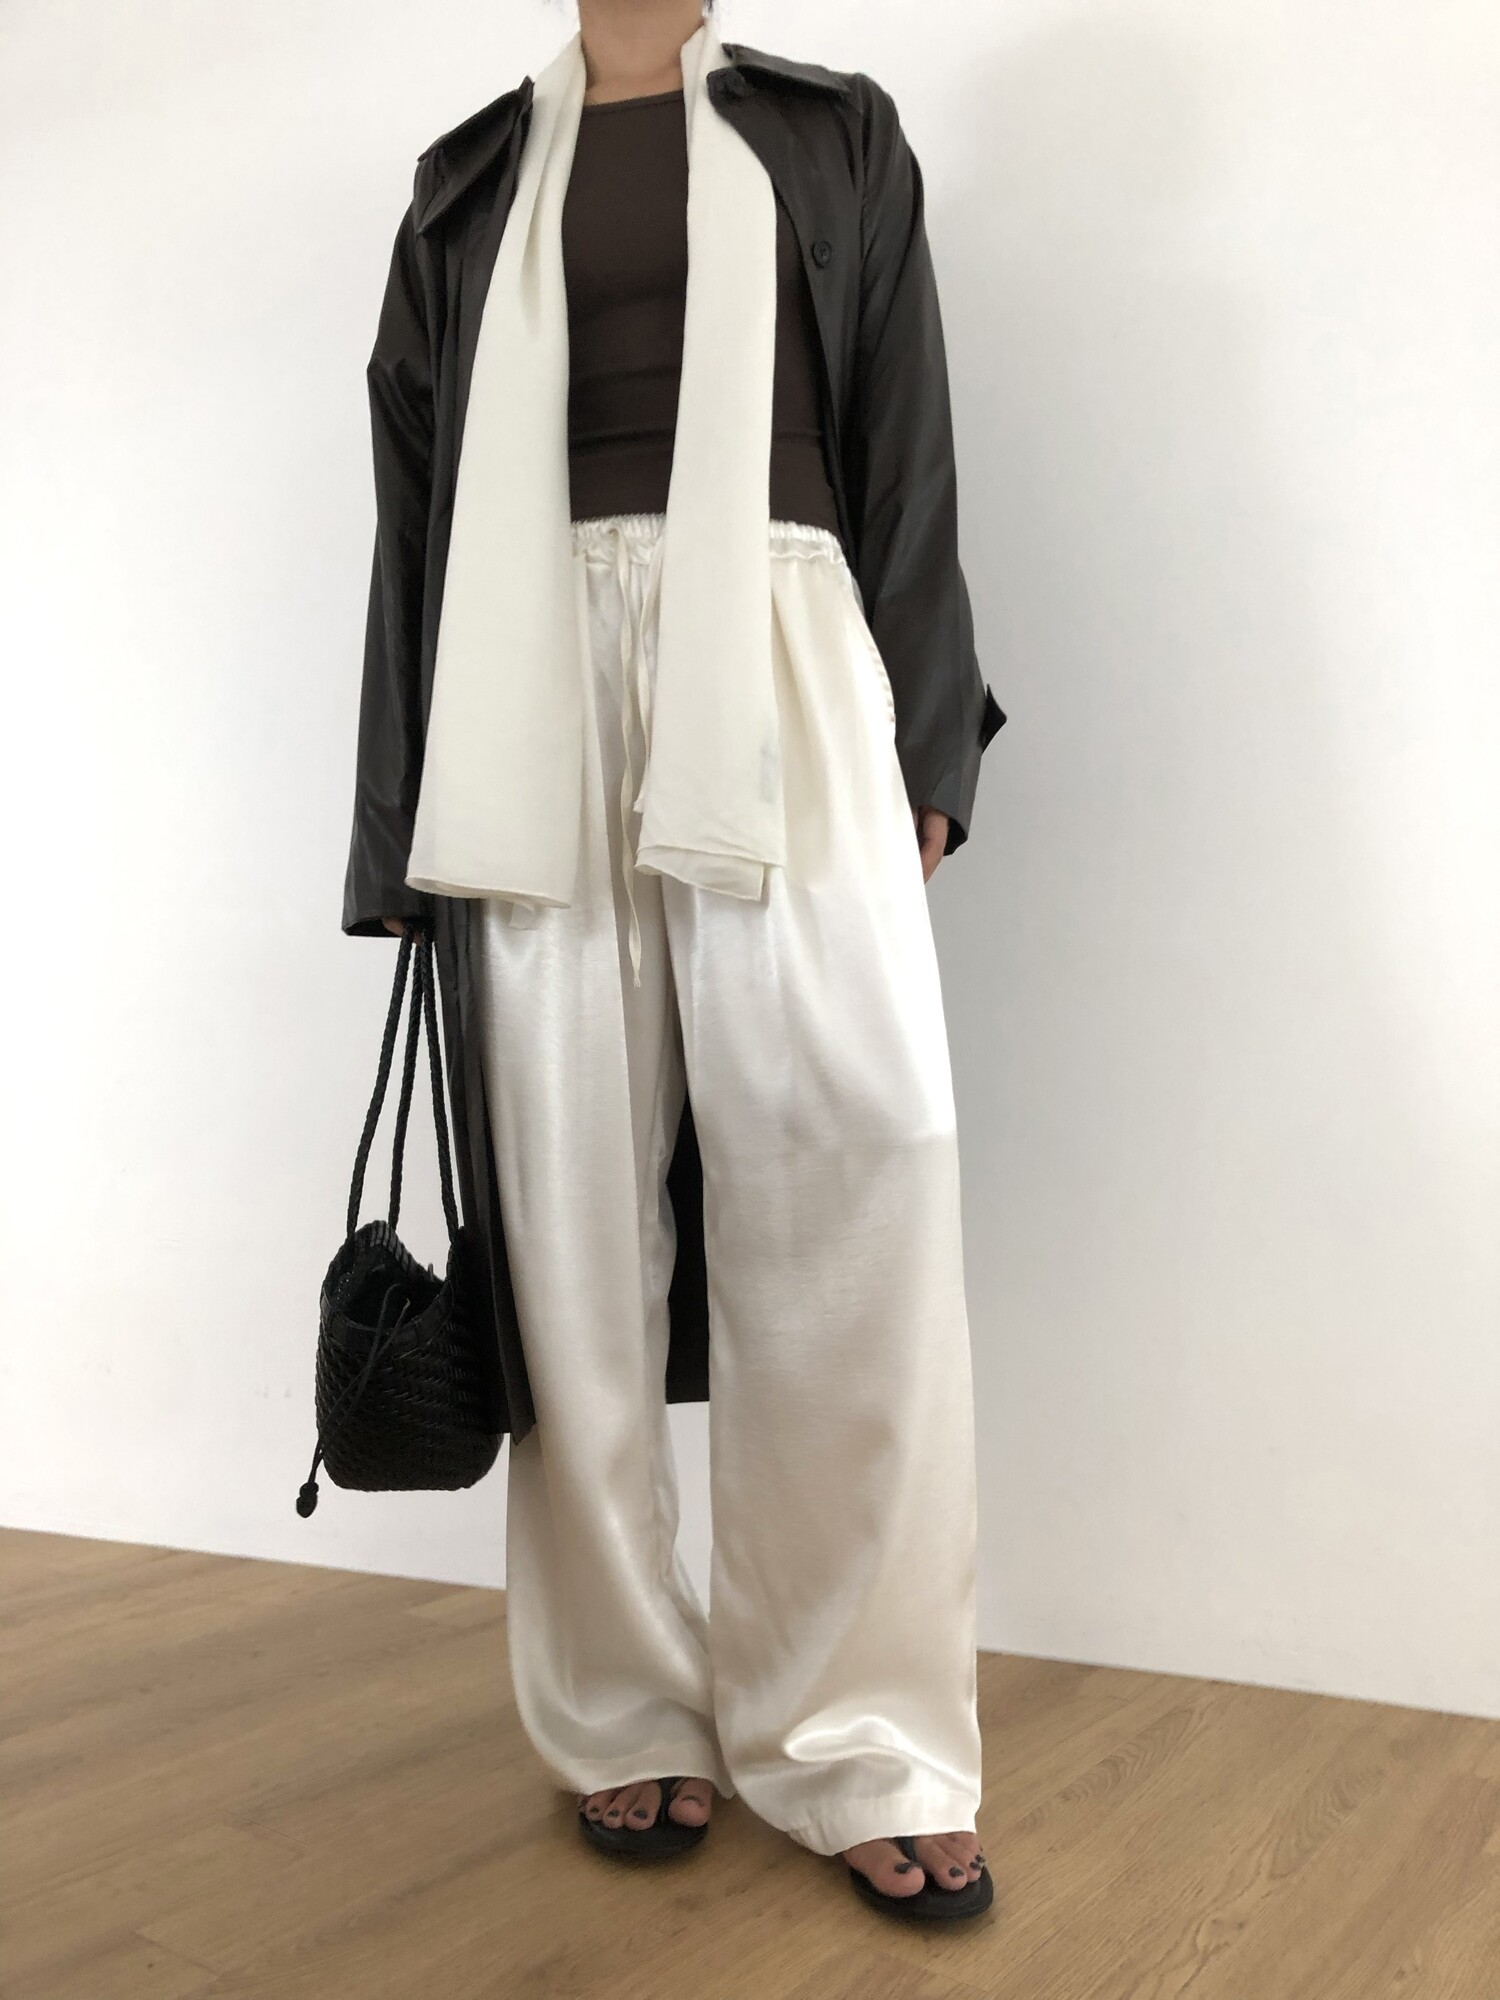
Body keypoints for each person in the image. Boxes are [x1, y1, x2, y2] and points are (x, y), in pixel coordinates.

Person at [355, 0, 1004, 1921]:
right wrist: (398, 832)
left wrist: (931, 751)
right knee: (566, 1221)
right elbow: (412, 519)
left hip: (783, 652)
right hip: (525, 688)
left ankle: (861, 1731)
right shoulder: (469, 180)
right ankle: (626, 1705)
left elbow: (906, 442)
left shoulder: (834, 132)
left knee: (863, 1162)